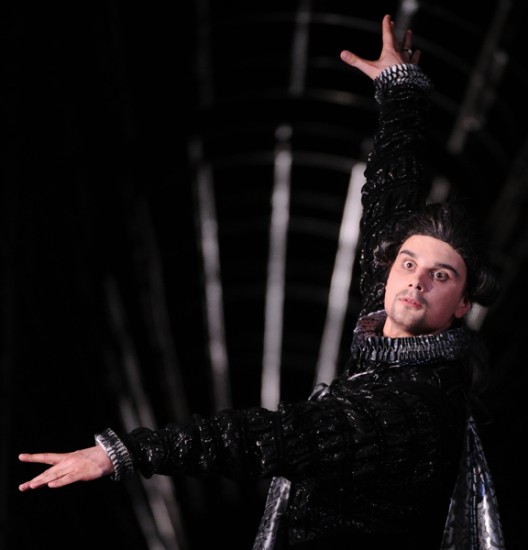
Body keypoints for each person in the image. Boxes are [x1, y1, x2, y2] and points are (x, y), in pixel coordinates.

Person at [18, 14, 505, 550]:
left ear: (463, 304)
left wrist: (124, 453)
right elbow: (391, 198)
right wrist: (400, 90)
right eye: (408, 264)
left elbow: (274, 437)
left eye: (441, 276)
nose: (417, 282)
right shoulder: (397, 328)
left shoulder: (413, 410)